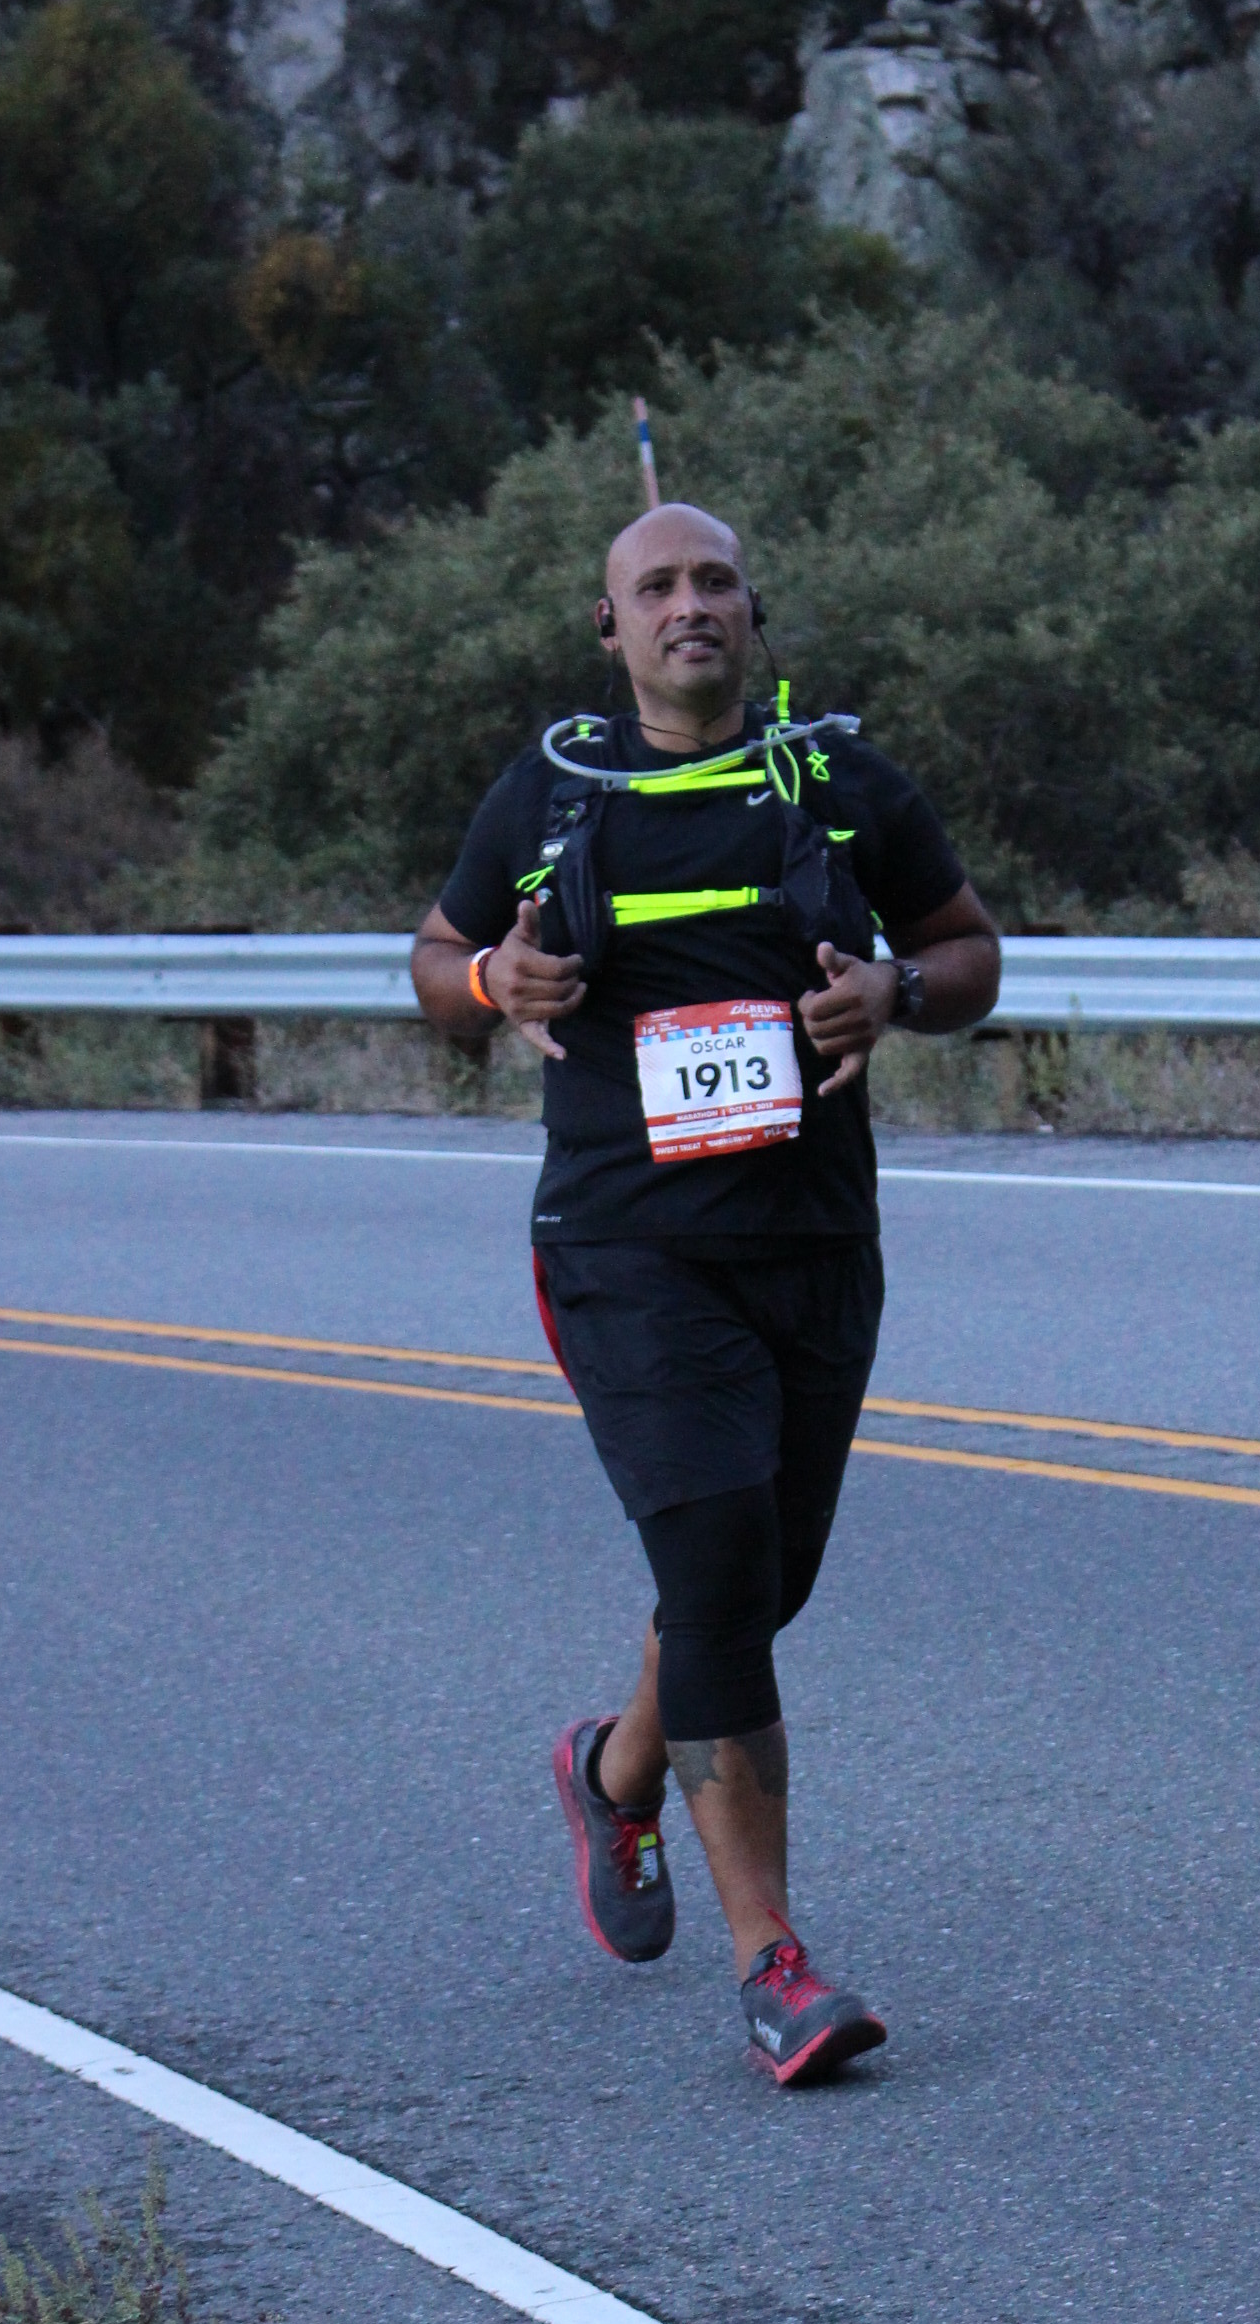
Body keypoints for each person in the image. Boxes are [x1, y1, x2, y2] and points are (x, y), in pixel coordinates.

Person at [413, 501, 1001, 2083]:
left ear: (753, 613)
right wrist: (493, 980)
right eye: (657, 585)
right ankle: (776, 1966)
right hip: (627, 1247)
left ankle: (616, 1774)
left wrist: (897, 989)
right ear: (609, 627)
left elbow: (967, 951)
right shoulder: (551, 793)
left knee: (760, 1581)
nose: (691, 604)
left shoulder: (839, 784)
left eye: (716, 581)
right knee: (723, 1565)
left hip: (813, 1243)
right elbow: (438, 959)